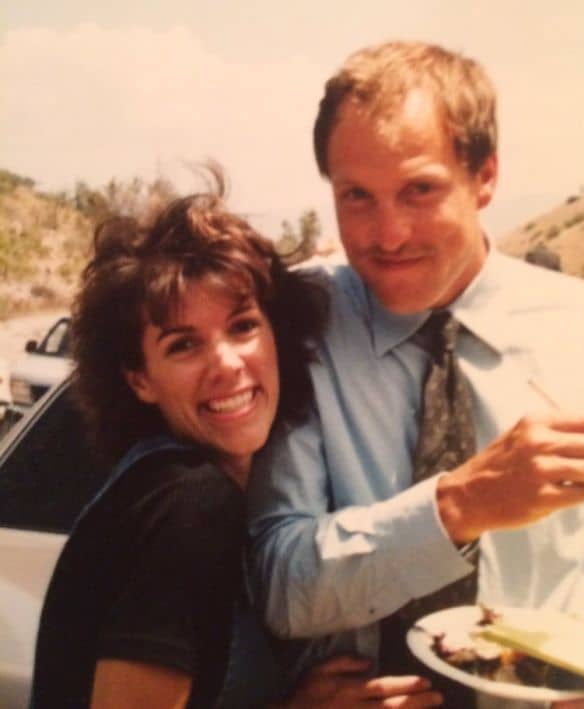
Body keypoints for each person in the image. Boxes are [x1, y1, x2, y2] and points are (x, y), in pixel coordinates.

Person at [248, 41, 584, 708]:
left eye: (420, 189)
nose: (388, 233)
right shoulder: (300, 325)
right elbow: (277, 582)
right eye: (357, 196)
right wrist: (456, 508)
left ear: (485, 176)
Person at [31, 177, 443, 709]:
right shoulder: (188, 503)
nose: (227, 364)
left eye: (243, 326)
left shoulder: (170, 485)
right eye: (184, 345)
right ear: (139, 379)